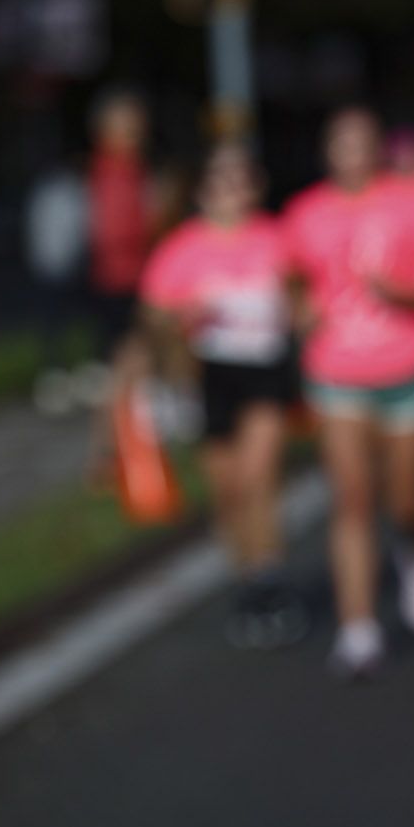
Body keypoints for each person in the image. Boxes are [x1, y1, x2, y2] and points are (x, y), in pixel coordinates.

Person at [282, 107, 414, 676]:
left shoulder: (413, 202)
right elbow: (292, 280)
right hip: (337, 372)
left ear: (378, 149)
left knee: (406, 500)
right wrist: (299, 309)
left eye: (363, 142)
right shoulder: (305, 212)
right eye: (341, 143)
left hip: (409, 366)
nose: (352, 153)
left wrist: (404, 294)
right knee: (352, 499)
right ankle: (357, 627)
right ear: (327, 151)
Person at [139, 141, 306, 647]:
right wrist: (180, 319)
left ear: (255, 186)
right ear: (203, 190)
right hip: (212, 374)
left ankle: (271, 582)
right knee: (227, 491)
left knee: (258, 478)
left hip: (265, 372)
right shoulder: (183, 247)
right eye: (221, 180)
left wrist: (298, 310)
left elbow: (303, 299)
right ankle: (250, 581)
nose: (232, 190)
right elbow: (153, 314)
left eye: (242, 179)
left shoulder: (276, 238)